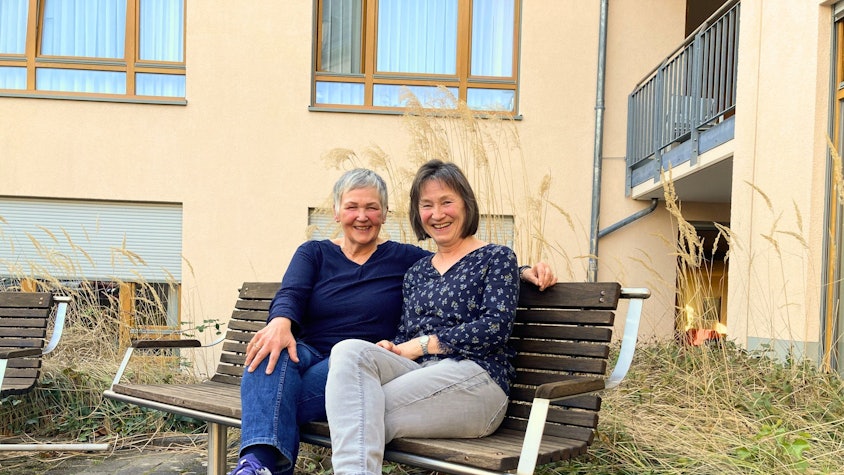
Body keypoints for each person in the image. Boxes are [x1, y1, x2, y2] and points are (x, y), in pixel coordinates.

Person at [229, 168, 555, 475]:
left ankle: (264, 454)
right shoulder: (404, 267)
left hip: (427, 371)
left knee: (343, 396)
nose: (362, 216)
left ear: (385, 214)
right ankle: (258, 464)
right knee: (272, 354)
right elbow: (293, 292)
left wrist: (521, 271)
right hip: (329, 357)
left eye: (371, 207)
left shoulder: (412, 259)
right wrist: (280, 322)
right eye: (352, 207)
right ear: (336, 211)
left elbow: (475, 277)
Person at [324, 160, 522, 475]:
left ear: (466, 204)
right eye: (427, 205)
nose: (437, 214)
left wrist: (424, 344)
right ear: (418, 214)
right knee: (349, 351)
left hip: (478, 379)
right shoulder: (417, 271)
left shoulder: (496, 257)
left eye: (446, 202)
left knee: (359, 409)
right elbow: (406, 334)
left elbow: (494, 328)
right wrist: (394, 346)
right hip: (420, 375)